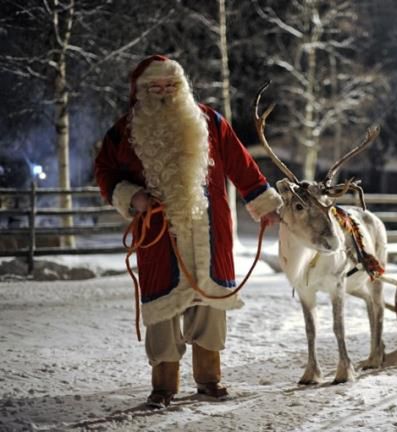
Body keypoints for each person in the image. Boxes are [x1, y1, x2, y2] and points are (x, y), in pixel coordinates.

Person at [95, 55, 282, 408]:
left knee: (210, 303)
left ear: (181, 87)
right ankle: (163, 386)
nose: (164, 92)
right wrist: (130, 195)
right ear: (141, 91)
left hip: (209, 231)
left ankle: (209, 379)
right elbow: (104, 171)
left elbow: (242, 164)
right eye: (155, 86)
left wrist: (264, 203)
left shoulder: (209, 121)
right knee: (162, 309)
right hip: (156, 231)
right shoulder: (123, 131)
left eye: (170, 85)